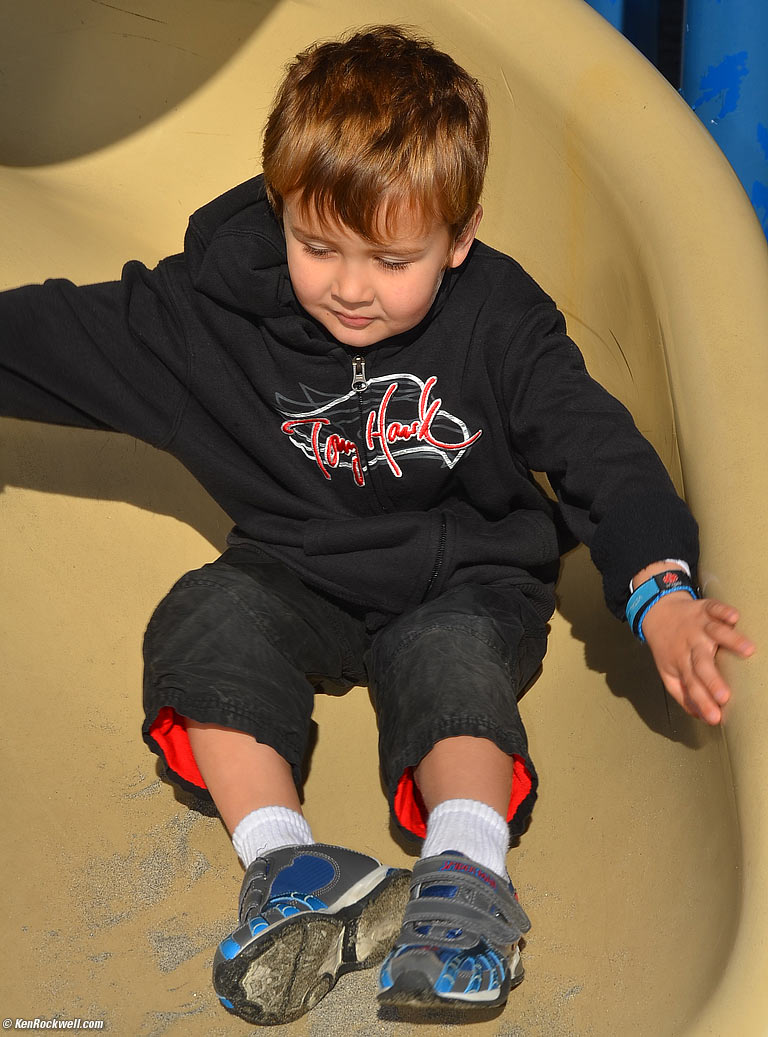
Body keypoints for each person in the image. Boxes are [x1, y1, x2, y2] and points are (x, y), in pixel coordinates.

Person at [1, 23, 754, 1027]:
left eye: (392, 260)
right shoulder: (210, 316)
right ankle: (289, 864)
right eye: (318, 246)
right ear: (281, 212)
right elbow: (60, 339)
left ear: (460, 234)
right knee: (205, 620)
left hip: (469, 572)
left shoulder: (500, 321)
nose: (351, 286)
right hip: (296, 566)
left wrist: (658, 586)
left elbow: (597, 447)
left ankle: (467, 876)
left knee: (452, 665)